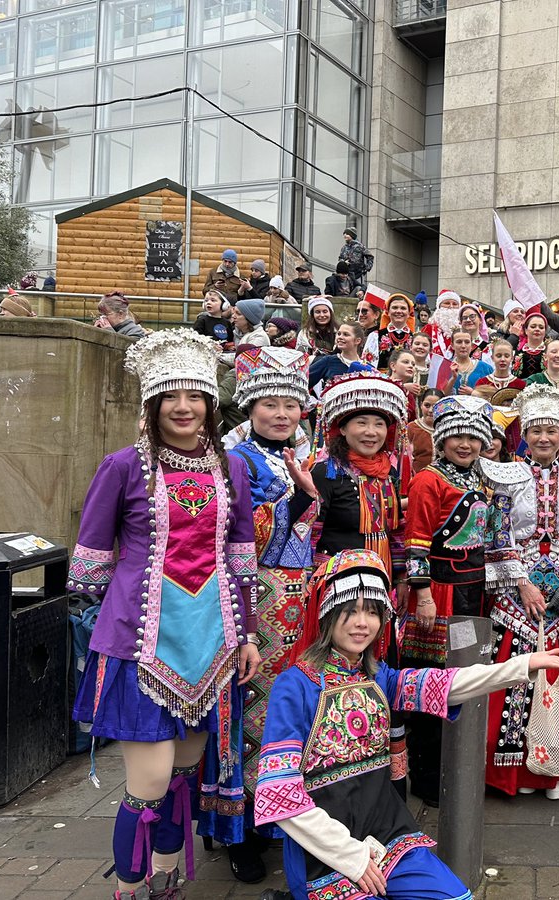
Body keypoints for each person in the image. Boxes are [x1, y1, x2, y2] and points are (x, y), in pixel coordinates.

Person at [254, 549, 559, 900]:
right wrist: (353, 857)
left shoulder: (378, 677)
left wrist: (521, 666)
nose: (361, 623)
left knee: (456, 897)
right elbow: (279, 795)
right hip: (323, 854)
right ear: (327, 614)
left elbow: (446, 683)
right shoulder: (296, 686)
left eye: (372, 612)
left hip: (387, 834)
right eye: (349, 612)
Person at [68, 330, 259, 900]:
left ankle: (168, 876)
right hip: (139, 646)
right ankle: (130, 888)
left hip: (216, 645)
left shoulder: (233, 470)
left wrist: (247, 632)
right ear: (152, 404)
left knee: (183, 776)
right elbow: (90, 567)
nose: (183, 408)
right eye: (170, 397)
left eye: (195, 396)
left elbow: (241, 556)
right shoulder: (121, 467)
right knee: (147, 784)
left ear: (210, 404)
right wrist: (117, 618)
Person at [205, 347, 317, 883]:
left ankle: (283, 816)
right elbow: (241, 535)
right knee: (249, 709)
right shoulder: (238, 462)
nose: (280, 414)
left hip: (302, 599)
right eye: (269, 404)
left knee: (293, 710)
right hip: (256, 596)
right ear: (249, 408)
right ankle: (241, 827)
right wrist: (297, 501)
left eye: (290, 405)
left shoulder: (307, 455)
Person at [481, 384, 559, 798]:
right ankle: (521, 771)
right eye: (536, 431)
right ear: (524, 435)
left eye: (552, 432)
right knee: (521, 672)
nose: (544, 439)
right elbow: (497, 535)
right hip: (520, 587)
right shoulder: (507, 476)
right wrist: (522, 583)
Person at [310, 372, 411, 796]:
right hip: (341, 595)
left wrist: (403, 576)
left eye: (379, 422)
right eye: (360, 422)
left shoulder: (391, 472)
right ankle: (340, 771)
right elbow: (309, 533)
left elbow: (396, 530)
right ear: (342, 428)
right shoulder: (325, 471)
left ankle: (389, 777)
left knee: (384, 673)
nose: (371, 431)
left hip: (383, 589)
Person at [400, 396, 494, 806]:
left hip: (473, 591)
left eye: (473, 438)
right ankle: (425, 775)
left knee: (464, 679)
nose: (465, 444)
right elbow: (416, 543)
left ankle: (454, 765)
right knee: (432, 680)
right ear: (441, 438)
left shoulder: (479, 478)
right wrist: (422, 596)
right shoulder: (428, 479)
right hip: (439, 590)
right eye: (457, 436)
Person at [308, 322, 370, 390]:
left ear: (357, 341)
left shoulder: (367, 368)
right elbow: (304, 381)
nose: (340, 337)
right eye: (339, 334)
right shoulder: (328, 361)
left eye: (346, 334)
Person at [370, 294, 417, 370]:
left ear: (409, 313)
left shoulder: (415, 338)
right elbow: (368, 366)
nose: (398, 311)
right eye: (395, 307)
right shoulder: (375, 336)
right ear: (388, 312)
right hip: (382, 380)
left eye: (403, 308)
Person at [406, 389, 443, 474]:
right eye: (427, 405)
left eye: (435, 407)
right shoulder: (411, 428)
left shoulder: (447, 429)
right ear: (421, 405)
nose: (430, 410)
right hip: (417, 479)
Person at [447, 330, 493, 395]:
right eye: (459, 342)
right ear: (452, 345)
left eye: (467, 342)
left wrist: (473, 393)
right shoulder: (445, 368)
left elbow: (493, 396)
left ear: (471, 345)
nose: (463, 346)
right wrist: (453, 379)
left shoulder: (485, 368)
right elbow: (440, 396)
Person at [512, 308, 552, 378]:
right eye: (533, 326)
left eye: (541, 327)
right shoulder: (517, 351)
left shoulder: (550, 351)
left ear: (545, 332)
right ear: (526, 330)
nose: (537, 329)